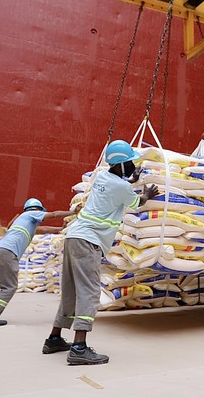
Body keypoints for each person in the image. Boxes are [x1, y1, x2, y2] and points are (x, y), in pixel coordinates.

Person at [43, 140, 158, 366]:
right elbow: (137, 201)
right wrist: (147, 193)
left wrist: (130, 179)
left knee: (71, 291)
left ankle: (55, 338)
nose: (133, 164)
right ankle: (79, 347)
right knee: (89, 293)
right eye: (130, 162)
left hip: (74, 236)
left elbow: (119, 185)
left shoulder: (103, 178)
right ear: (121, 165)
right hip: (89, 241)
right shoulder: (122, 187)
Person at [0, 198, 76, 328]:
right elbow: (54, 214)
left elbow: (42, 229)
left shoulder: (24, 221)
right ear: (38, 210)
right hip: (8, 252)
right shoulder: (31, 214)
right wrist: (72, 212)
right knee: (9, 287)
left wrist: (60, 229)